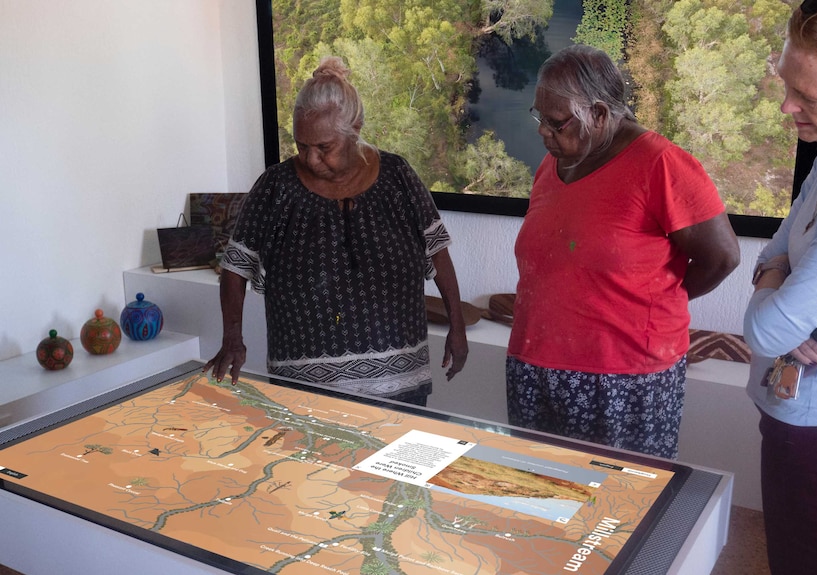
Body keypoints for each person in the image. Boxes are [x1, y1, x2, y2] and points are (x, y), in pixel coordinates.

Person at [506, 44, 740, 459]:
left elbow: (721, 258)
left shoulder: (661, 164)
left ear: (599, 114)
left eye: (556, 123)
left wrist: (653, 300)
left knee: (620, 504)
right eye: (539, 117)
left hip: (622, 375)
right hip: (536, 360)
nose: (543, 132)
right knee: (541, 494)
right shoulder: (554, 162)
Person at [204, 56, 468, 407]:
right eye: (302, 146)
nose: (311, 159)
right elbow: (235, 267)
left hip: (399, 384)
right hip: (305, 388)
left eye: (324, 147)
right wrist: (232, 339)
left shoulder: (397, 176)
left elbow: (437, 249)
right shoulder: (276, 187)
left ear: (355, 128)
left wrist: (458, 326)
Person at [744, 1, 817, 573]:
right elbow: (774, 250)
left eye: (811, 99)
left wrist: (779, 285)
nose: (788, 107)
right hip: (807, 402)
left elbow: (766, 329)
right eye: (787, 86)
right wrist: (778, 274)